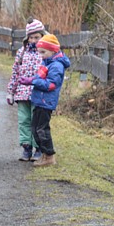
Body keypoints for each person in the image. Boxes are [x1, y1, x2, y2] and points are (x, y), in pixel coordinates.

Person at [6, 19, 46, 162]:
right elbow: (16, 72)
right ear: (27, 38)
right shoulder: (22, 52)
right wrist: (11, 91)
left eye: (37, 37)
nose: (34, 40)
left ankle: (38, 148)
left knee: (37, 121)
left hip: (39, 92)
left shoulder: (45, 53)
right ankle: (26, 147)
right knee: (24, 120)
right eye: (31, 37)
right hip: (22, 93)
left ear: (42, 36)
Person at [30, 34, 71, 167]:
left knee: (42, 129)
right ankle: (44, 154)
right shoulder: (47, 63)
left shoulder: (56, 66)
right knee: (35, 128)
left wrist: (34, 82)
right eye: (39, 52)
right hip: (39, 101)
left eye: (43, 52)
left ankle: (49, 156)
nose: (40, 55)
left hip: (46, 102)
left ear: (53, 51)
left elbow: (51, 84)